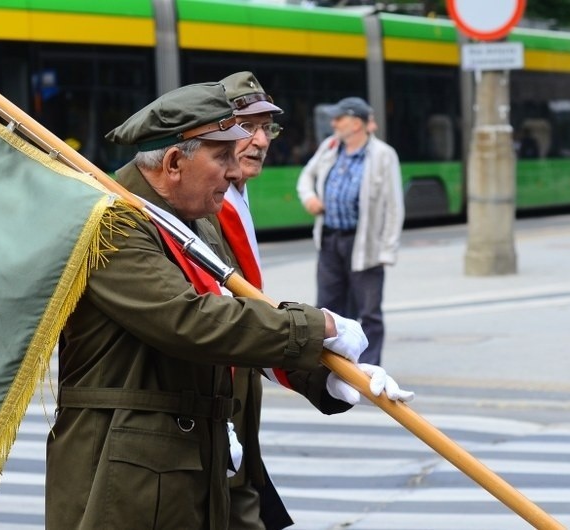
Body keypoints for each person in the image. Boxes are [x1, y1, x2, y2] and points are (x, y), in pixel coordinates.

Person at [45, 82, 413, 530]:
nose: (232, 169)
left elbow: (240, 311)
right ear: (175, 162)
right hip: (124, 474)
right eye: (221, 156)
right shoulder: (114, 223)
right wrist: (319, 326)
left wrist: (324, 370)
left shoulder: (195, 217)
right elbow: (190, 321)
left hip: (194, 463)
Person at [217, 72, 377, 530]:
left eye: (268, 128)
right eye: (247, 126)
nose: (261, 141)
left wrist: (331, 373)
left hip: (237, 408)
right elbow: (211, 318)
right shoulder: (200, 207)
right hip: (210, 412)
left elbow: (254, 316)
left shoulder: (233, 195)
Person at [296, 97, 405, 367]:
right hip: (330, 239)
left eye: (339, 118)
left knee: (368, 312)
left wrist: (387, 250)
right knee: (327, 308)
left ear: (356, 123)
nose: (333, 123)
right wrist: (310, 197)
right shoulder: (330, 146)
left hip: (364, 243)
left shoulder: (382, 155)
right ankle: (331, 366)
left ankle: (367, 369)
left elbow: (394, 206)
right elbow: (306, 177)